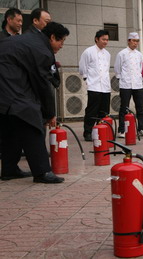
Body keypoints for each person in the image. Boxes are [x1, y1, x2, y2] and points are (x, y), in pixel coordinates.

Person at [0, 22, 69, 183]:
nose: (62, 46)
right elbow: (43, 84)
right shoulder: (41, 50)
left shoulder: (31, 40)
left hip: (7, 83)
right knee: (31, 120)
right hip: (9, 84)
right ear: (52, 37)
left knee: (12, 126)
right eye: (61, 41)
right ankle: (42, 171)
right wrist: (49, 113)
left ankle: (9, 169)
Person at [114, 32, 143, 138]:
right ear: (129, 41)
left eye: (137, 41)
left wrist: (138, 78)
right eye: (134, 41)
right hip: (125, 84)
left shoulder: (139, 54)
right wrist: (122, 78)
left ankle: (142, 129)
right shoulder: (122, 53)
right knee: (124, 107)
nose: (135, 43)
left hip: (137, 84)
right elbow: (117, 68)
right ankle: (121, 130)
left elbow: (140, 68)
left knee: (140, 107)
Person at [79, 30, 111, 141]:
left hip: (105, 87)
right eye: (103, 39)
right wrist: (87, 79)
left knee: (104, 111)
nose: (105, 42)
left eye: (107, 39)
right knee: (92, 110)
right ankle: (88, 132)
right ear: (97, 39)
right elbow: (83, 68)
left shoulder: (107, 54)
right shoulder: (88, 52)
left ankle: (101, 131)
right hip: (94, 85)